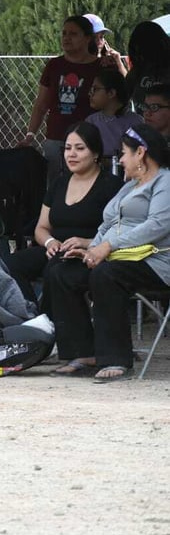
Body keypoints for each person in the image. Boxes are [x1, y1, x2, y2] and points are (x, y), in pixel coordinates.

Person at [45, 124, 170, 381]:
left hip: (155, 261)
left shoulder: (165, 182)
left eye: (124, 153)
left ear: (141, 153)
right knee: (63, 273)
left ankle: (116, 358)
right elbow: (107, 224)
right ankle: (84, 352)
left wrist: (108, 246)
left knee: (106, 275)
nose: (120, 160)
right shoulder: (129, 186)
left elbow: (157, 225)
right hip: (117, 258)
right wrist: (90, 249)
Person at [3, 122, 122, 324]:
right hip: (55, 248)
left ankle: (50, 326)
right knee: (10, 264)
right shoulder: (59, 183)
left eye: (79, 148)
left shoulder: (110, 185)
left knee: (55, 269)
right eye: (68, 148)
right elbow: (41, 227)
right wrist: (49, 242)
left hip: (88, 252)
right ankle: (32, 318)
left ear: (95, 153)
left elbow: (119, 230)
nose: (72, 154)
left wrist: (85, 242)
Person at [19, 16, 106, 185]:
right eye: (64, 33)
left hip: (89, 141)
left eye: (73, 34)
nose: (66, 38)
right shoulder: (54, 65)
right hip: (55, 139)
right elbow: (41, 104)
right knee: (54, 190)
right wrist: (30, 135)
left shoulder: (102, 67)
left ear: (87, 38)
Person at [85, 70, 143, 162]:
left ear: (111, 93)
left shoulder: (136, 122)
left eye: (95, 89)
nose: (90, 93)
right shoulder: (91, 121)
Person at [125, 21, 170, 111]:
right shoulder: (137, 71)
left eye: (141, 48)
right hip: (143, 123)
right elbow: (122, 96)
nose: (138, 53)